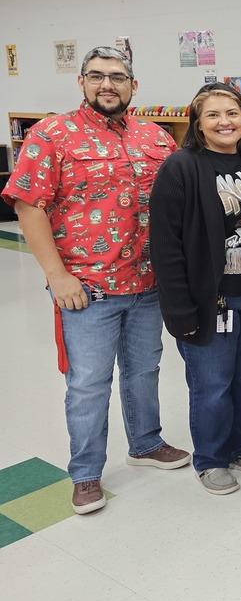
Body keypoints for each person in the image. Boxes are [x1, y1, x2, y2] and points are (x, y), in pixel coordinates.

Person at [1, 46, 190, 515]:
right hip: (87, 289)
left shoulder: (156, 137)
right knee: (88, 383)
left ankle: (146, 443)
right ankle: (85, 473)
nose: (108, 84)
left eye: (118, 76)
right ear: (81, 81)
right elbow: (28, 205)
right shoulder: (51, 134)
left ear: (133, 85)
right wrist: (56, 276)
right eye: (97, 76)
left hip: (148, 284)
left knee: (144, 370)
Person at [150, 82, 241, 496]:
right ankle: (211, 458)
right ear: (198, 124)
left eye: (233, 113)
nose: (225, 121)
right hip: (211, 300)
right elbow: (165, 244)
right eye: (214, 115)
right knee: (212, 386)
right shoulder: (181, 167)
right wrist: (179, 310)